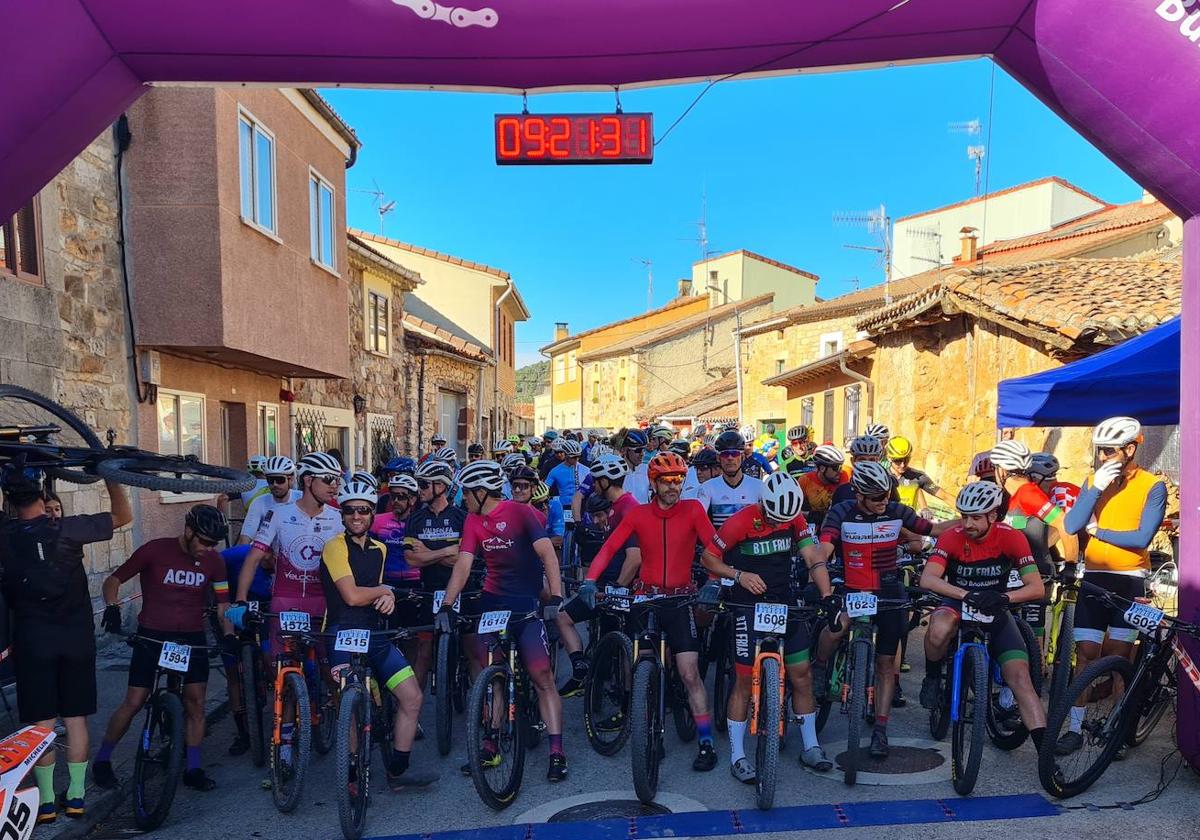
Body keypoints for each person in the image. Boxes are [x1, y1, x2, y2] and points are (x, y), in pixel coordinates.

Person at [0, 467, 131, 824]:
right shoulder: (68, 528)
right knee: (75, 719)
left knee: (40, 724)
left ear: (10, 505)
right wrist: (110, 475)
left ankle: (44, 803)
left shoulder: (5, 535)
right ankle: (75, 797)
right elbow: (124, 515)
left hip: (32, 640)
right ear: (44, 500)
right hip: (75, 638)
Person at [577, 452, 720, 772]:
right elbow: (610, 548)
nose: (674, 486)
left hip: (682, 598)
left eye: (679, 480)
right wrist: (589, 580)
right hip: (646, 599)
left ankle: (706, 741)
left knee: (688, 672)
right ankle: (644, 719)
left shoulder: (694, 509)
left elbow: (714, 548)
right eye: (667, 481)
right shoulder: (639, 514)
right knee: (640, 662)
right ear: (653, 484)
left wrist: (713, 581)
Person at [436, 461, 568, 781]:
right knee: (491, 674)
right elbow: (463, 565)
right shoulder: (472, 520)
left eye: (466, 493)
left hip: (525, 601)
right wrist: (447, 605)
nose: (462, 499)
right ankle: (490, 746)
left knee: (542, 676)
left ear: (481, 492)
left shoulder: (520, 513)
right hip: (492, 602)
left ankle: (556, 751)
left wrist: (555, 598)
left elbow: (548, 555)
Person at [699, 473, 838, 779]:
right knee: (744, 681)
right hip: (747, 603)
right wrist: (738, 575)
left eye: (783, 521)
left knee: (802, 675)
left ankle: (811, 746)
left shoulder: (794, 520)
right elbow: (709, 558)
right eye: (773, 518)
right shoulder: (740, 521)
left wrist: (827, 595)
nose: (778, 525)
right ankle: (737, 754)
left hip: (784, 600)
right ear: (762, 503)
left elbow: (813, 558)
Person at [813, 462, 956, 758]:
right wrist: (820, 561)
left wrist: (967, 521)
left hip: (890, 591)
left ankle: (880, 728)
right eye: (876, 497)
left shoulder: (895, 511)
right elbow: (825, 547)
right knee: (836, 628)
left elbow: (933, 529)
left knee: (886, 664)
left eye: (886, 495)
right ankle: (821, 667)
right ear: (859, 494)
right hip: (854, 587)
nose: (883, 502)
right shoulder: (841, 512)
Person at [94, 505, 234, 793]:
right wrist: (112, 606)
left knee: (195, 703)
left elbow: (223, 605)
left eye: (214, 544)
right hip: (154, 634)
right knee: (134, 701)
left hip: (191, 636)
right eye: (204, 542)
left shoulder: (215, 562)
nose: (208, 549)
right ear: (188, 531)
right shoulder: (155, 550)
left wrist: (229, 633)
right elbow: (114, 579)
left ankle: (193, 767)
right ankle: (103, 759)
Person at [1056, 417, 1167, 756]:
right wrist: (1092, 490)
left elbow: (1142, 537)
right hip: (1094, 576)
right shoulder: (1094, 479)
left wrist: (1100, 531)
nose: (1102, 456)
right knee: (1085, 656)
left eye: (1109, 450)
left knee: (1120, 657)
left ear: (1131, 448)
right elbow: (1073, 524)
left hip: (1129, 579)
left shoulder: (1153, 485)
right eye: (1099, 450)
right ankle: (1074, 728)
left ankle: (1116, 729)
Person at [322, 480, 437, 789]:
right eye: (349, 511)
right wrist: (383, 591)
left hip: (375, 634)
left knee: (412, 697)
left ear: (373, 513)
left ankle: (397, 769)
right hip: (341, 634)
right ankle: (352, 775)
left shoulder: (381, 549)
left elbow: (375, 592)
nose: (356, 516)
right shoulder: (334, 547)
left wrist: (386, 597)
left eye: (363, 510)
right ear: (342, 514)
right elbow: (351, 596)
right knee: (350, 700)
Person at [918, 482, 1047, 751]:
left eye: (975, 517)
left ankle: (1045, 753)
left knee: (1021, 678)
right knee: (938, 628)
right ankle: (932, 677)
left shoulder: (1012, 537)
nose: (967, 523)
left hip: (995, 607)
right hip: (957, 600)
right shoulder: (951, 537)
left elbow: (1036, 587)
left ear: (993, 515)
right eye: (964, 516)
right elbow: (928, 579)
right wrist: (964, 594)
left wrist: (1005, 598)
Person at [231, 451, 344, 647]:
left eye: (337, 480)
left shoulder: (338, 518)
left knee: (326, 670)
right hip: (285, 598)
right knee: (282, 664)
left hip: (323, 600)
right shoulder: (277, 514)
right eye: (328, 479)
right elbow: (252, 559)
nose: (334, 486)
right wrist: (240, 600)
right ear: (308, 480)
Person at [557, 454, 637, 697]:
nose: (592, 484)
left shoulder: (627, 508)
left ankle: (625, 702)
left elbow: (635, 557)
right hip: (607, 583)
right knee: (563, 618)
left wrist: (617, 587)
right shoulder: (615, 507)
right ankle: (581, 668)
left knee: (623, 643)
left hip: (620, 587)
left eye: (596, 480)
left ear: (605, 481)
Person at [404, 460, 469, 691]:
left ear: (440, 486)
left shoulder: (462, 517)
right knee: (423, 651)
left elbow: (463, 559)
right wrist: (446, 551)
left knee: (472, 648)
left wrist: (428, 553)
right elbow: (411, 559)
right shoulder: (416, 518)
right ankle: (414, 710)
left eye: (423, 485)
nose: (418, 490)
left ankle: (484, 710)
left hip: (461, 588)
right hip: (427, 589)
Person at [371, 473, 426, 684]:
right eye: (393, 496)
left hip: (414, 584)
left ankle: (408, 680)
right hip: (387, 585)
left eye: (402, 497)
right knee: (388, 636)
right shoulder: (378, 522)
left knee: (411, 638)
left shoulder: (420, 522)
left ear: (413, 499)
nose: (396, 501)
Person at [220, 541, 272, 756]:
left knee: (271, 658)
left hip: (265, 609)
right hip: (231, 606)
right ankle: (242, 731)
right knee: (232, 670)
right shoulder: (236, 555)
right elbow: (211, 570)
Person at [697, 430, 764, 531]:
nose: (730, 458)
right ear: (718, 458)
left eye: (734, 453)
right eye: (725, 454)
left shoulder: (759, 486)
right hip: (720, 545)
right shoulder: (707, 488)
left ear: (742, 457)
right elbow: (699, 522)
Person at [238, 455, 300, 544]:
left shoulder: (300, 498)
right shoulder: (259, 502)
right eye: (270, 480)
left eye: (279, 480)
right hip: (265, 551)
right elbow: (247, 534)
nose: (275, 484)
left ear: (291, 480)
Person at [886, 436, 955, 511]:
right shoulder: (883, 476)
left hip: (908, 521)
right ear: (889, 458)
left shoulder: (918, 476)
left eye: (906, 459)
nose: (902, 465)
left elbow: (945, 496)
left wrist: (968, 512)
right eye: (898, 460)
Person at [796, 444, 849, 529]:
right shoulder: (805, 480)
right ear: (822, 468)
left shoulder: (844, 476)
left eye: (841, 467)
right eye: (836, 468)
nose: (840, 471)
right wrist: (810, 515)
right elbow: (796, 510)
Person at [831, 436, 896, 505]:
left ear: (878, 462)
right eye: (862, 460)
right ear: (852, 461)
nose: (867, 464)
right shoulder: (842, 491)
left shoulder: (888, 488)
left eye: (872, 460)